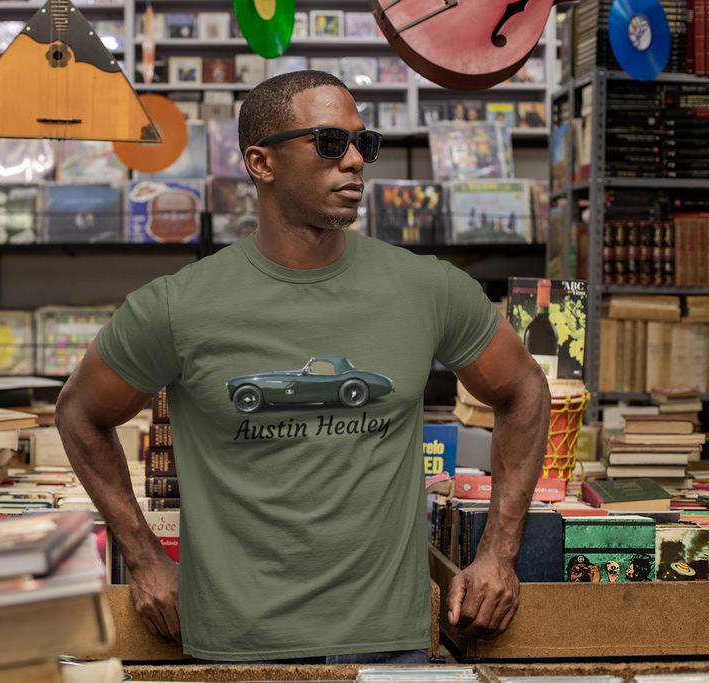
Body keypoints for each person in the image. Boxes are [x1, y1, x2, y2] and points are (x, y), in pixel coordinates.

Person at [56, 70, 550, 664]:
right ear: (260, 163)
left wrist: (498, 551)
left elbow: (524, 389)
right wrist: (142, 556)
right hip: (235, 648)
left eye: (362, 144)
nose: (354, 162)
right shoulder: (177, 305)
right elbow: (80, 413)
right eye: (328, 143)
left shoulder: (427, 288)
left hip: (388, 645)